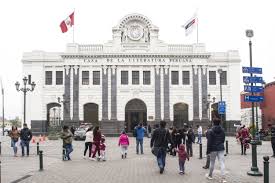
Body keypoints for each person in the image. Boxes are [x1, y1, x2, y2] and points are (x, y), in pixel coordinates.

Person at [206, 117, 226, 183]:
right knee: (222, 163)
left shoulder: (210, 131)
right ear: (219, 123)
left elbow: (209, 142)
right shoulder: (222, 130)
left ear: (213, 123)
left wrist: (208, 151)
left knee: (212, 163)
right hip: (220, 148)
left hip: (213, 149)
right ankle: (223, 179)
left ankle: (210, 175)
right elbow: (223, 139)